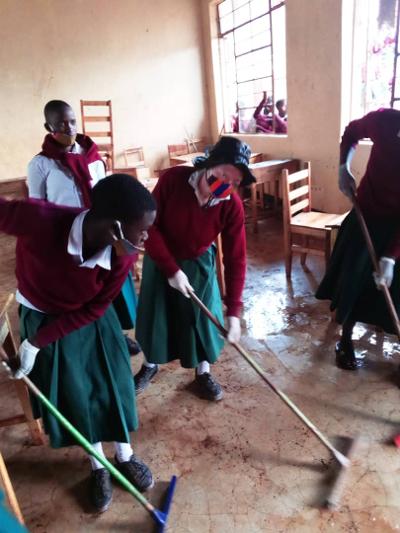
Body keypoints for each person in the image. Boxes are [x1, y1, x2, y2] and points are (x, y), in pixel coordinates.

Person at [0, 174, 156, 512]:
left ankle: (125, 455)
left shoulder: (122, 253)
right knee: (77, 392)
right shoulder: (41, 220)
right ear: (115, 227)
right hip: (41, 311)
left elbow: (97, 308)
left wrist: (35, 344)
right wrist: (34, 342)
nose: (146, 237)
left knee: (114, 383)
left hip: (87, 315)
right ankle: (98, 463)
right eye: (141, 229)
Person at [134, 137, 255, 401]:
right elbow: (149, 228)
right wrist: (171, 270)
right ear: (210, 166)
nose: (227, 186)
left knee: (200, 320)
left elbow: (237, 258)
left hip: (199, 261)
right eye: (224, 175)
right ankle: (149, 365)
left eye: (234, 183)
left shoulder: (230, 205)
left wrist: (233, 312)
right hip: (162, 258)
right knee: (157, 316)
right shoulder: (173, 180)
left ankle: (203, 372)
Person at [27, 100, 140, 355]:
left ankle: (117, 334)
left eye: (72, 121)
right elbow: (37, 208)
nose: (69, 127)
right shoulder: (42, 164)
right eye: (61, 123)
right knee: (82, 289)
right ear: (49, 126)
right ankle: (87, 337)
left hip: (103, 232)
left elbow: (108, 195)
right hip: (70, 237)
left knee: (111, 288)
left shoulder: (94, 157)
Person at [316, 108, 400, 370]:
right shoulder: (385, 120)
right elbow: (352, 131)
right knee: (353, 279)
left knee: (397, 288)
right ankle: (346, 340)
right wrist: (344, 166)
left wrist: (391, 256)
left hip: (398, 227)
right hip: (366, 213)